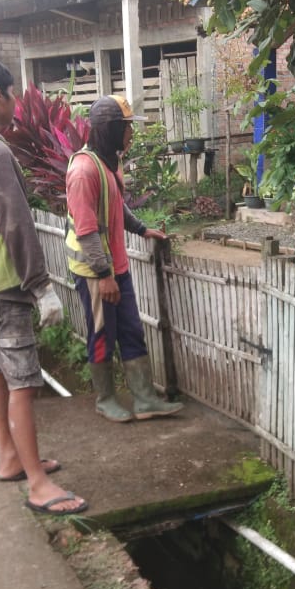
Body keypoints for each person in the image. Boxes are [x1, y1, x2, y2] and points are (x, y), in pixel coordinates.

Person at [0, 60, 87, 516]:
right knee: (24, 381)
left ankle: (10, 457)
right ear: (0, 97)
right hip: (5, 284)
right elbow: (18, 224)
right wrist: (41, 287)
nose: (17, 101)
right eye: (13, 92)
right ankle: (38, 485)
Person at [65, 94, 183, 423]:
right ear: (110, 129)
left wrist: (142, 229)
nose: (131, 133)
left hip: (116, 268)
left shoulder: (108, 162)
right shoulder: (83, 172)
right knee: (102, 334)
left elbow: (116, 204)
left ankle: (145, 400)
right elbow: (87, 231)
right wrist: (103, 276)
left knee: (131, 330)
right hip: (94, 272)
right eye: (127, 127)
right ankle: (105, 399)